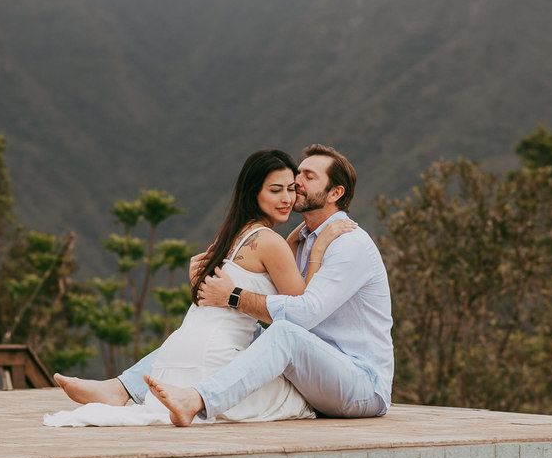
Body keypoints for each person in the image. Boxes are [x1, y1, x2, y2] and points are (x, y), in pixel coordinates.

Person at [44, 149, 351, 426]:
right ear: (253, 193)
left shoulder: (226, 238)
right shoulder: (270, 244)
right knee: (304, 397)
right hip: (214, 363)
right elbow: (301, 313)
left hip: (171, 362)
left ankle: (120, 388)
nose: (286, 199)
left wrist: (295, 237)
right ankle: (131, 391)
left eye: (290, 190)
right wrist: (320, 246)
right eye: (275, 190)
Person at [145, 143, 393, 426]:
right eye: (298, 174)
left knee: (283, 332)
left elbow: (304, 316)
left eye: (309, 177)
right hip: (311, 372)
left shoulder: (349, 243)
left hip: (360, 384)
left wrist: (233, 296)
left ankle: (197, 401)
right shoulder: (302, 241)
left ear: (335, 193)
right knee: (227, 329)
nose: (297, 182)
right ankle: (126, 386)